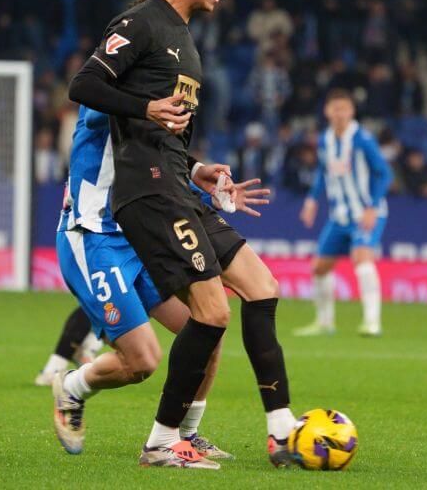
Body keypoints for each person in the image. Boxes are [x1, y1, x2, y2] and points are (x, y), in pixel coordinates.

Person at [66, 0, 298, 468]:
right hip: (147, 194)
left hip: (176, 186)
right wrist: (146, 109)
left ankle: (282, 430)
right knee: (212, 313)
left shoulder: (185, 39)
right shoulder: (140, 23)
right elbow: (83, 84)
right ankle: (162, 441)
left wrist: (200, 172)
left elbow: (164, 136)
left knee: (261, 288)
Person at [51, 105, 268, 464]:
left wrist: (204, 186)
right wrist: (151, 106)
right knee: (142, 360)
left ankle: (187, 435)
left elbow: (159, 166)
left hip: (138, 235)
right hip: (91, 237)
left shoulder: (151, 92)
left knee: (207, 323)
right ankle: (71, 388)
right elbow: (104, 114)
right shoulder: (110, 83)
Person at [297, 90, 392, 338]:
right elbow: (322, 172)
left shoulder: (363, 140)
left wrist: (372, 206)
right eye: (335, 108)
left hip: (366, 213)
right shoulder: (325, 140)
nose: (340, 114)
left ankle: (373, 322)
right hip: (339, 216)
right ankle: (325, 322)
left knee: (362, 258)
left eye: (345, 109)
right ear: (327, 111)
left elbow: (384, 173)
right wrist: (311, 201)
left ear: (352, 111)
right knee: (319, 267)